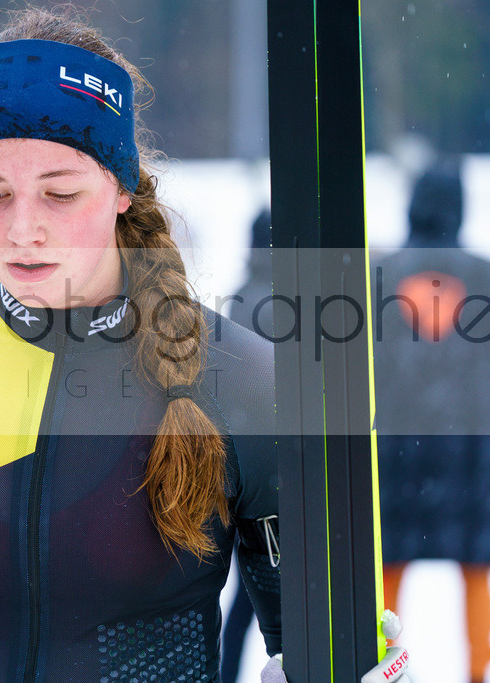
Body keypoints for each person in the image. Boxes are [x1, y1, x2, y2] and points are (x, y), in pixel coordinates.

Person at [0, 8, 407, 682]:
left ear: (123, 186)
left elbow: (321, 660)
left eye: (59, 193)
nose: (22, 230)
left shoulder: (245, 386)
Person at [373, 159, 490, 683]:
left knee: (386, 564)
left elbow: (338, 360)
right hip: (468, 446)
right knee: (475, 564)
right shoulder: (487, 276)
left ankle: (376, 662)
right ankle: (479, 669)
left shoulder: (377, 273)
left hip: (395, 446)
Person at [221, 208, 273, 683]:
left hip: (244, 463)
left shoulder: (242, 295)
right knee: (275, 590)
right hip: (280, 466)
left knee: (245, 593)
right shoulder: (296, 298)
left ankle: (224, 672)